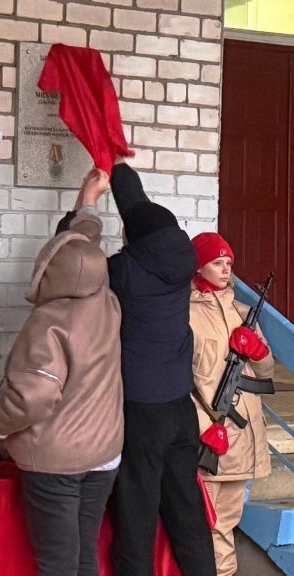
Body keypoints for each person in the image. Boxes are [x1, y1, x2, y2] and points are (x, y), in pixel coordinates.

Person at [0, 169, 124, 576]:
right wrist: (88, 201)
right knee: (84, 555)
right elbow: (85, 251)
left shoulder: (48, 322)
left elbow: (34, 396)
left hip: (56, 458)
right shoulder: (107, 302)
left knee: (58, 563)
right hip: (105, 454)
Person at [104, 160, 217, 576]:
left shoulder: (123, 271)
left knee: (137, 518)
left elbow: (71, 265)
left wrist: (83, 204)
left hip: (142, 412)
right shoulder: (183, 261)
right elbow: (141, 211)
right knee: (187, 512)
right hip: (181, 409)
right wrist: (116, 166)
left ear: (133, 239)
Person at [189, 232, 274, 576]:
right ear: (198, 266)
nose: (226, 270)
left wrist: (258, 351)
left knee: (226, 523)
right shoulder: (185, 315)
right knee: (208, 526)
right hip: (207, 440)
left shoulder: (243, 312)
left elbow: (266, 372)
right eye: (217, 263)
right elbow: (180, 383)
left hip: (241, 441)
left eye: (229, 263)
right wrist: (203, 427)